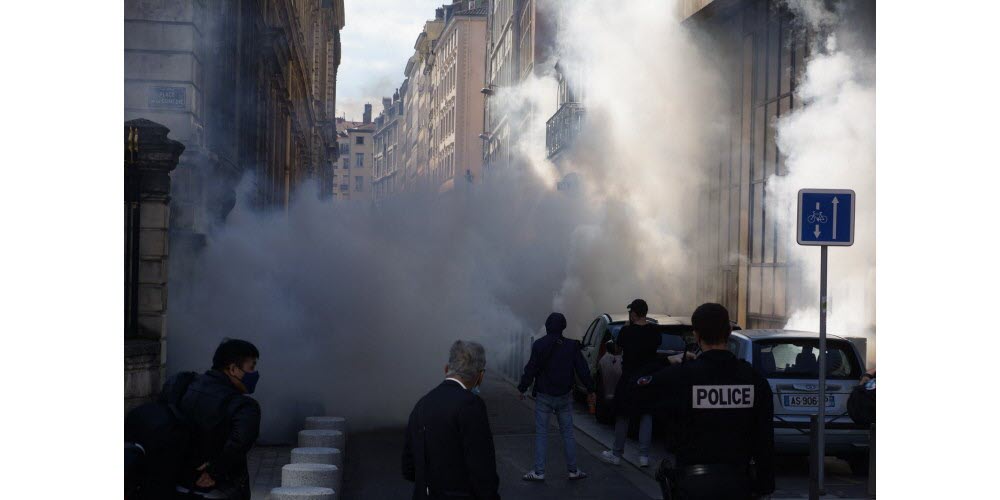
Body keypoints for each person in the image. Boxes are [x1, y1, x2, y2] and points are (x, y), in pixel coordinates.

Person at [638, 303, 774, 500]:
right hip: (739, 486)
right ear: (729, 332)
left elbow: (634, 388)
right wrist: (765, 487)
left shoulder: (681, 376)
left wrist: (666, 361)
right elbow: (765, 441)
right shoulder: (754, 380)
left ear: (696, 335)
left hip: (692, 487)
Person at [402, 340, 500, 500]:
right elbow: (482, 468)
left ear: (446, 369)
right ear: (480, 376)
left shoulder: (422, 404)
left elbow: (408, 467)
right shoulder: (471, 405)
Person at [174, 338, 262, 499]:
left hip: (179, 482)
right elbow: (239, 443)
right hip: (220, 487)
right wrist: (214, 472)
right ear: (233, 369)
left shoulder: (185, 386)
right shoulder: (244, 406)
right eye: (251, 367)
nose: (254, 374)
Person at [517, 312, 596, 482]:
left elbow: (531, 369)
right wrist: (591, 389)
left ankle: (539, 471)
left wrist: (522, 388)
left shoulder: (539, 345)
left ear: (547, 327)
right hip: (564, 396)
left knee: (541, 433)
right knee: (567, 433)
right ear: (563, 327)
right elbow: (582, 369)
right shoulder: (572, 346)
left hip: (544, 395)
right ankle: (573, 470)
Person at [600, 299, 661, 468]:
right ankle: (644, 457)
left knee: (623, 415)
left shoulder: (627, 331)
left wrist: (627, 328)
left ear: (633, 313)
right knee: (646, 415)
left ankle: (616, 454)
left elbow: (617, 350)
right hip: (647, 378)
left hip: (628, 378)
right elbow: (656, 347)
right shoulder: (655, 331)